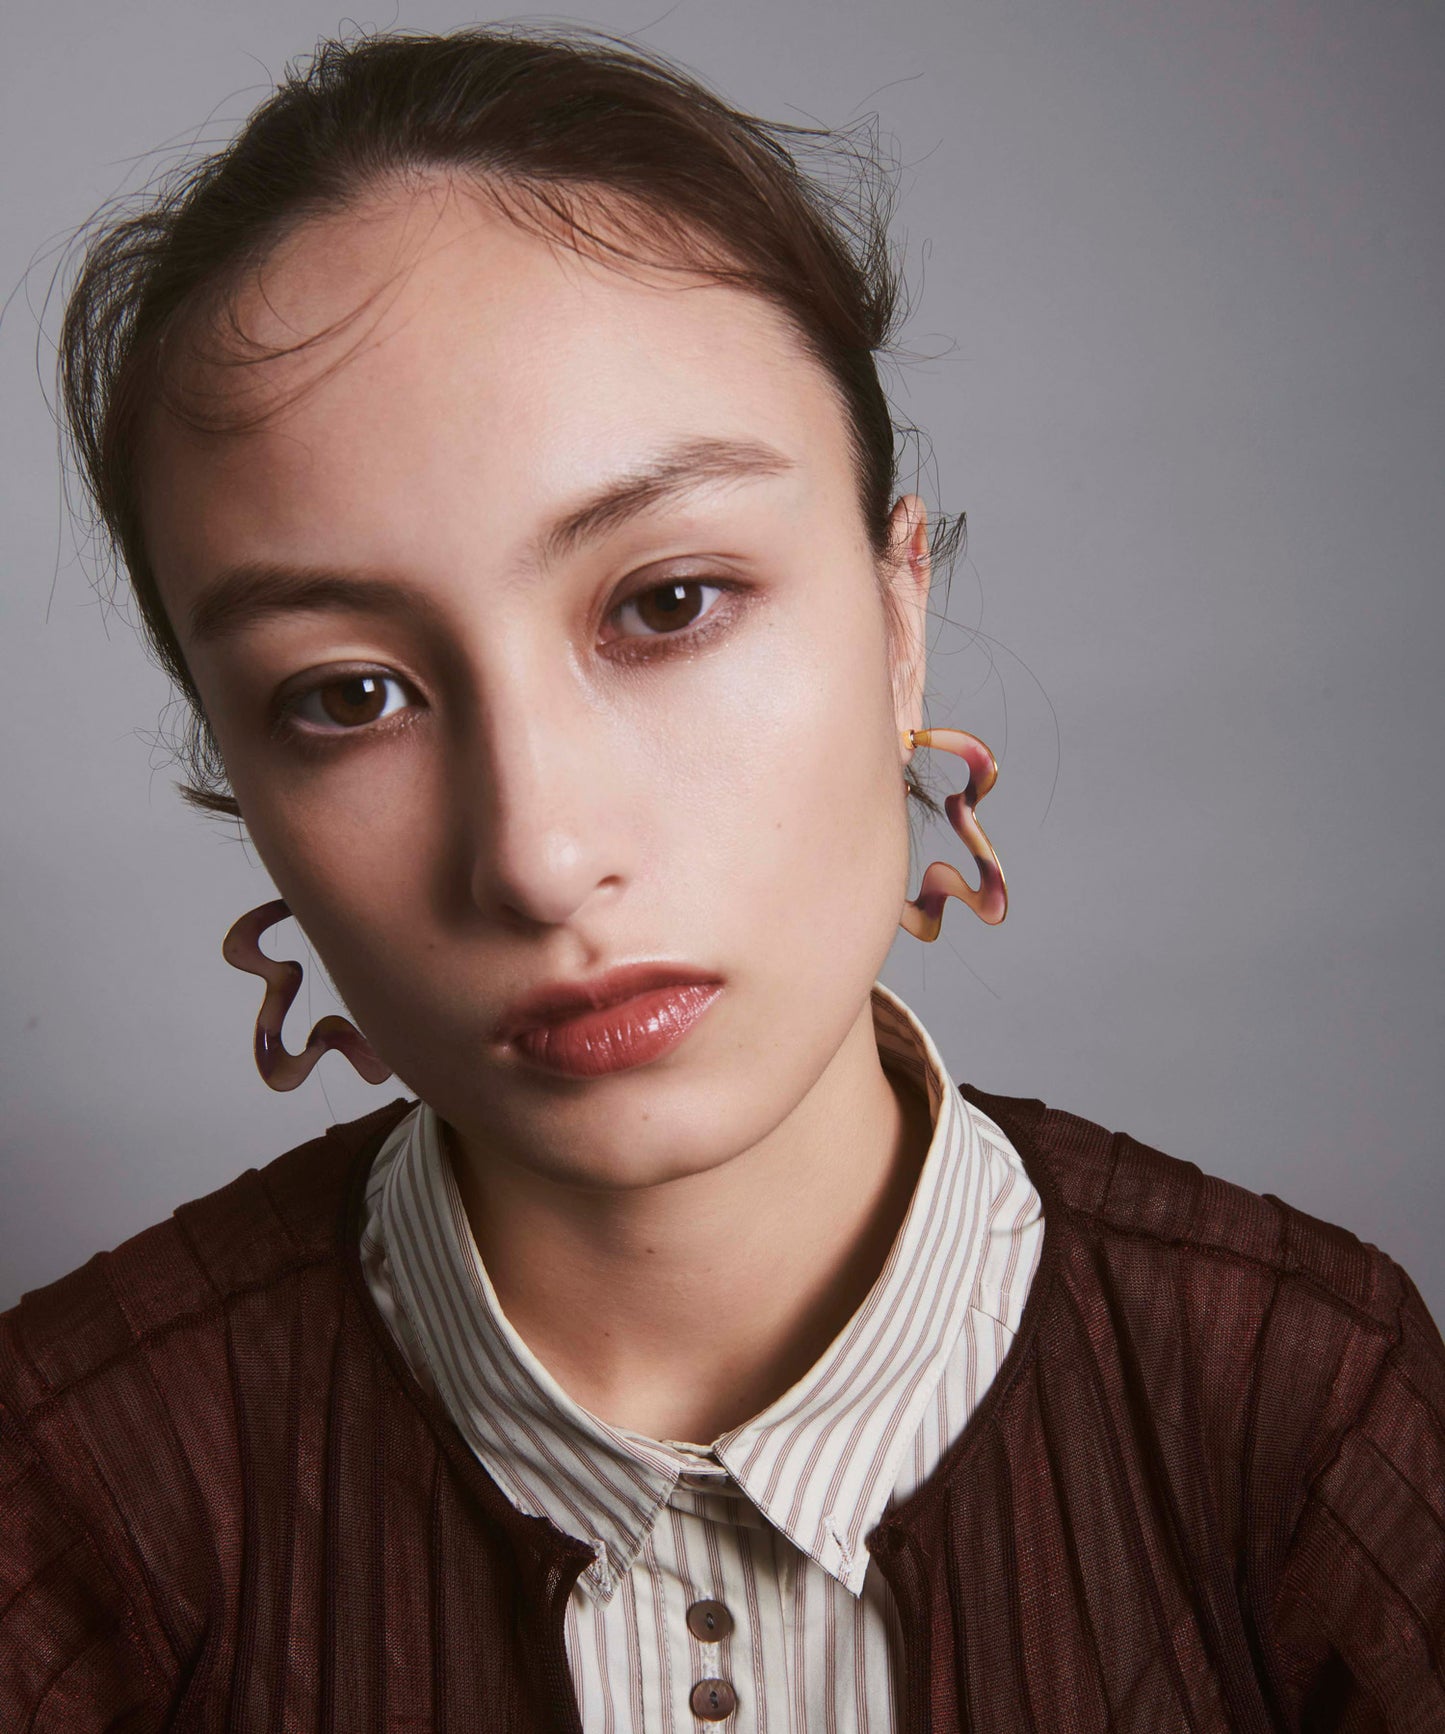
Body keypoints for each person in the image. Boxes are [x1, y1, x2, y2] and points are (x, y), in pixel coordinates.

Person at [2, 24, 1441, 1733]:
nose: (538, 854)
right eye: (347, 695)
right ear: (240, 785)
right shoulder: (73, 1493)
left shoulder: (1308, 1410)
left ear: (897, 612)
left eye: (667, 601)